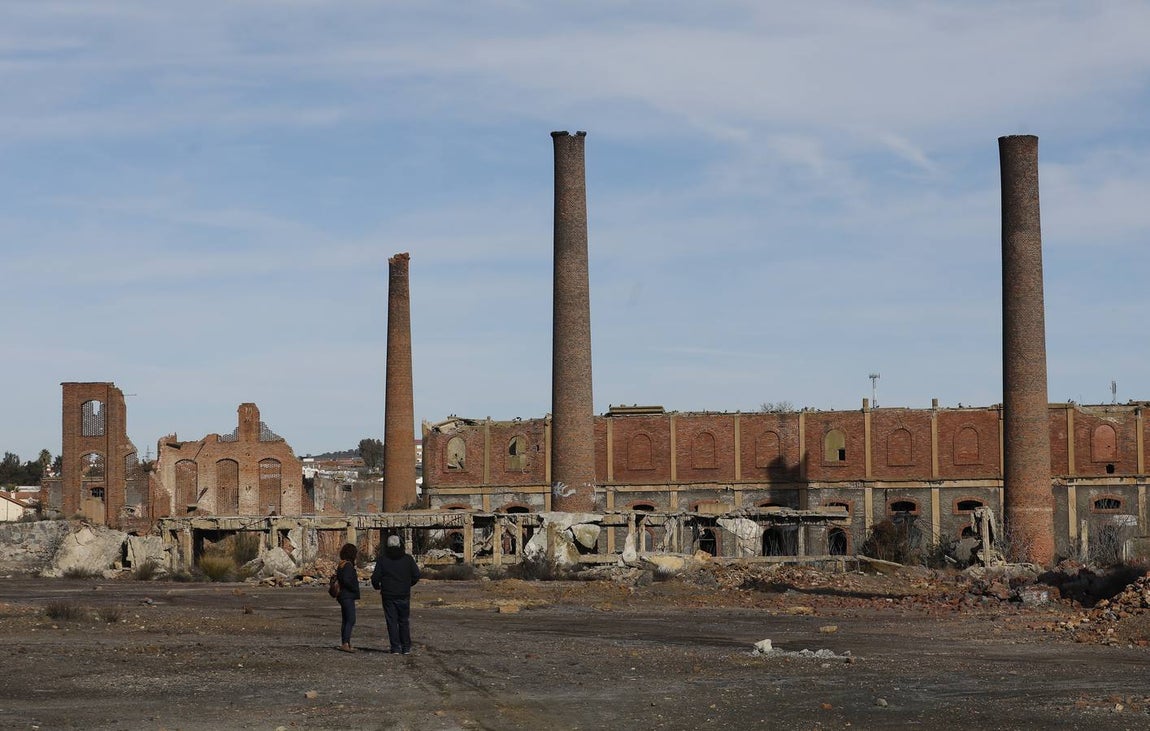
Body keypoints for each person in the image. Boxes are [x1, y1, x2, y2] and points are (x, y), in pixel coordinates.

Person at [370, 534, 421, 654]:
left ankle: (395, 647)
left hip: (388, 594)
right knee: (404, 621)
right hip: (403, 594)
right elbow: (416, 575)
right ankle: (406, 647)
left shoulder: (383, 560)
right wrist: (408, 584)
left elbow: (375, 578)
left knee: (391, 621)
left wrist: (378, 586)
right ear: (400, 544)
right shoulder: (408, 559)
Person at [335, 542, 361, 652]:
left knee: (346, 620)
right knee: (351, 619)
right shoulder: (348, 566)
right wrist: (354, 588)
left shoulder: (341, 564)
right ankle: (345, 643)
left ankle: (346, 642)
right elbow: (346, 580)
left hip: (343, 595)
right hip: (347, 595)